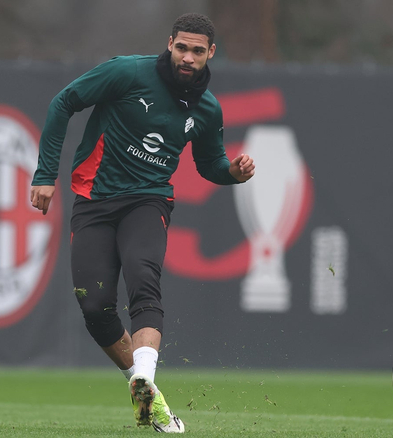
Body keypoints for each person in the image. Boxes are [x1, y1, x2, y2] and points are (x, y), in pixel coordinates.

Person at [30, 12, 255, 433]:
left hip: (149, 201)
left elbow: (209, 163)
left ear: (211, 53)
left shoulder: (207, 109)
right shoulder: (127, 72)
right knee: (94, 307)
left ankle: (145, 379)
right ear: (170, 44)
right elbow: (64, 102)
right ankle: (148, 391)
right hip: (94, 199)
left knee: (142, 279)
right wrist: (45, 174)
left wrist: (232, 173)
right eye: (181, 47)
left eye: (197, 51)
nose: (187, 57)